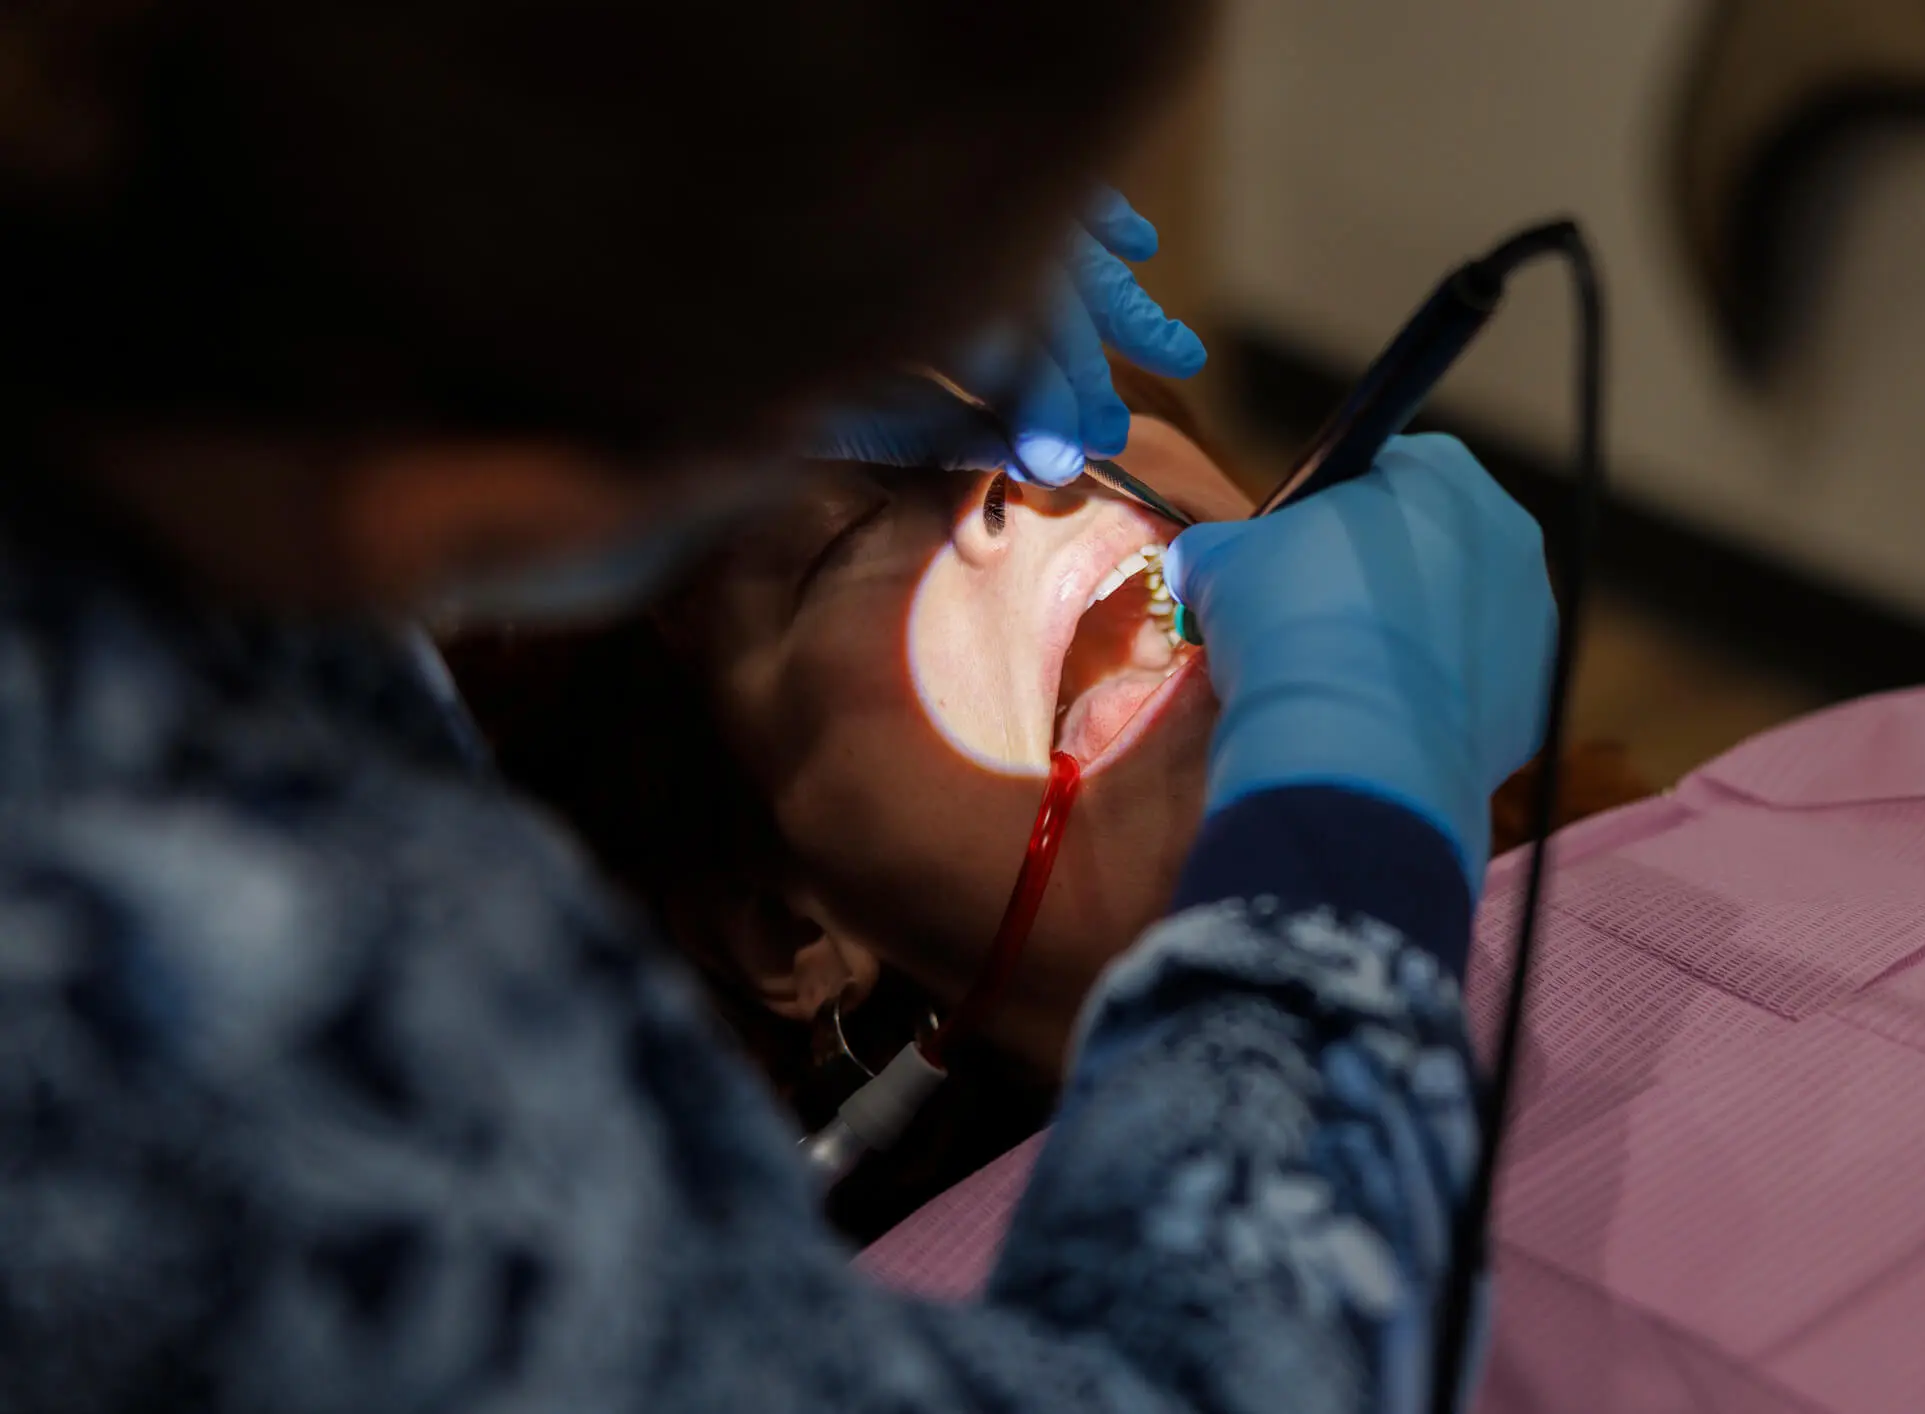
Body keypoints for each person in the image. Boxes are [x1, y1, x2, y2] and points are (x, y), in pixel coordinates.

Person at [0, 6, 1558, 1414]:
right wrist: (1348, 823)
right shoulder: (222, 1001)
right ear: (782, 926)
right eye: (814, 532)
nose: (1032, 484)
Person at [441, 368, 1650, 1239]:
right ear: (787, 928)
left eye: (1033, 401)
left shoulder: (1737, 857)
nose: (1014, 477)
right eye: (843, 539)